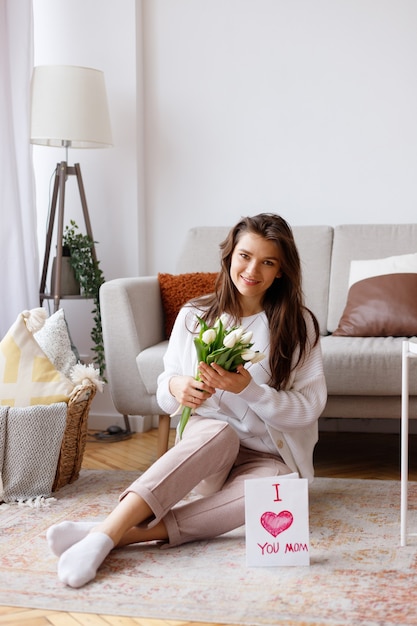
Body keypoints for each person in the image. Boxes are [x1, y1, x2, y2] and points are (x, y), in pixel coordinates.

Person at [47, 213, 327, 588]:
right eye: (245, 256)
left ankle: (110, 533)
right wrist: (178, 386)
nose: (252, 269)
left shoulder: (298, 326)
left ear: (281, 271)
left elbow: (309, 409)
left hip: (267, 456)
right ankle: (109, 530)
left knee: (275, 491)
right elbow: (166, 388)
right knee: (220, 434)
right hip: (208, 446)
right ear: (229, 257)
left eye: (268, 261)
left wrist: (249, 389)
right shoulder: (195, 315)